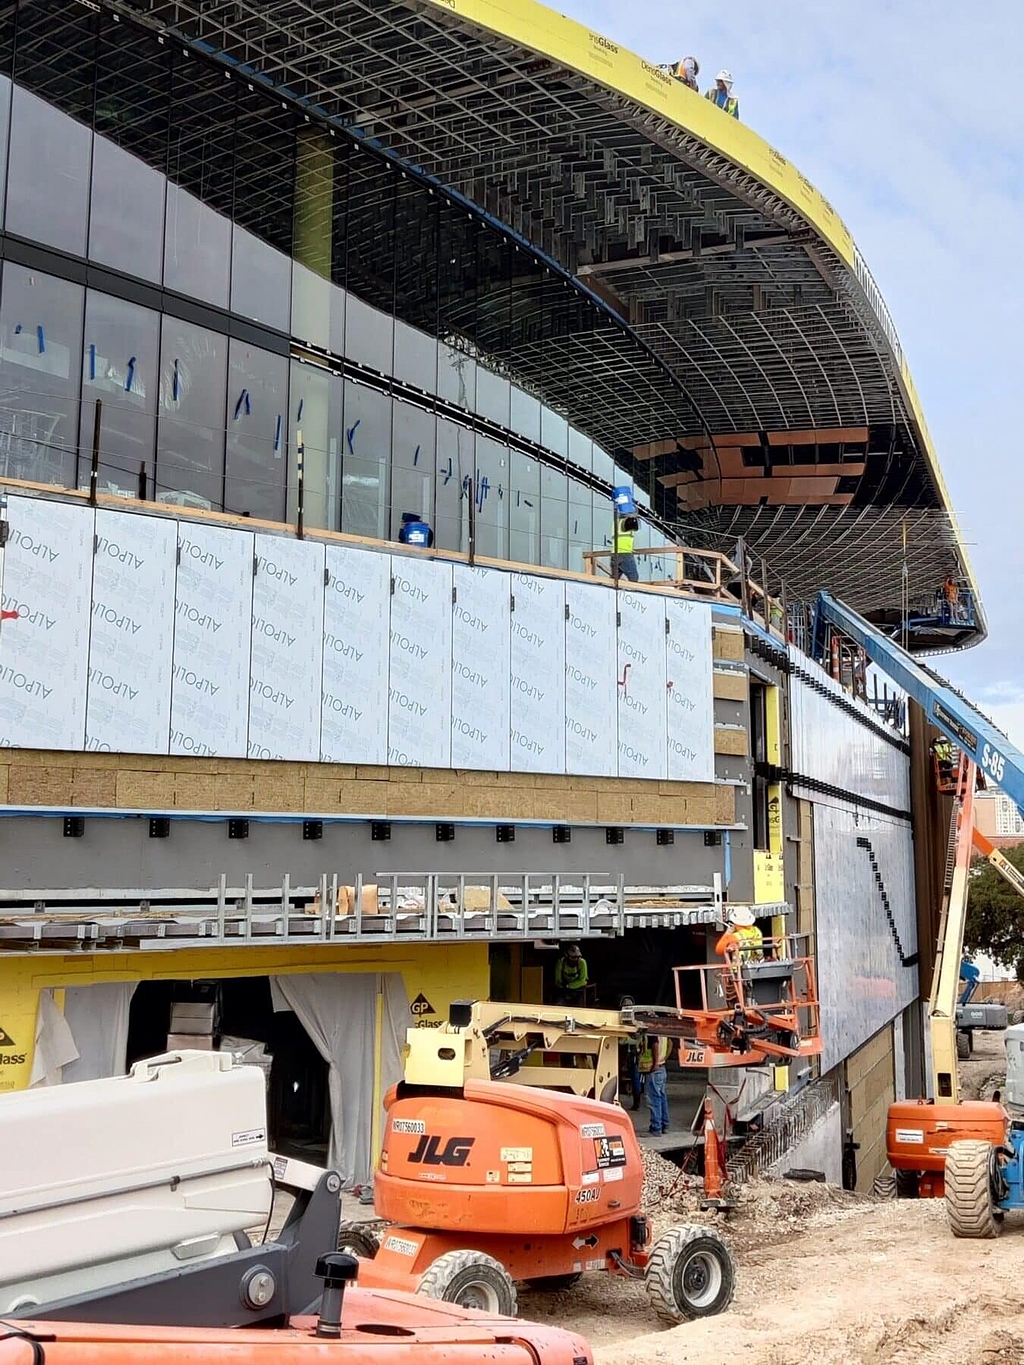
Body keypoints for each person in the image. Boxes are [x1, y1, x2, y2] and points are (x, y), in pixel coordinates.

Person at [645, 1034, 673, 1135]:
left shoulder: (653, 1032)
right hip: (662, 1067)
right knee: (661, 1097)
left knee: (654, 1099)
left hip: (655, 1069)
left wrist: (656, 1063)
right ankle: (664, 1125)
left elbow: (655, 1044)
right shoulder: (663, 1033)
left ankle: (656, 1127)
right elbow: (670, 1043)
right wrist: (664, 1058)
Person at [613, 515, 640, 582]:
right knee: (634, 577)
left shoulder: (617, 522)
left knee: (614, 579)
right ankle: (632, 592)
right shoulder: (627, 522)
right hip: (625, 553)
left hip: (615, 553)